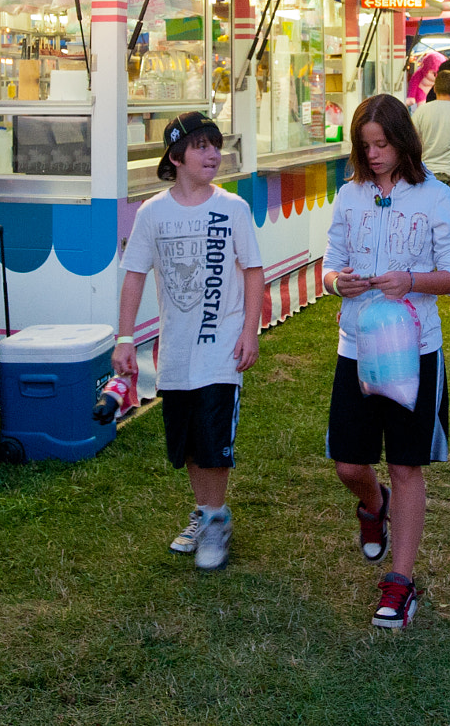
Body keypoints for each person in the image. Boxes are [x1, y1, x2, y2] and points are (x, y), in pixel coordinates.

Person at [323, 94, 450, 629]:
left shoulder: (435, 197)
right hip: (356, 349)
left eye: (382, 144)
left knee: (407, 465)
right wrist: (341, 282)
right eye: (366, 146)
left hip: (416, 352)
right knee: (347, 463)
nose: (375, 154)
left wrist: (409, 281)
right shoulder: (349, 197)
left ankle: (401, 582)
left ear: (403, 141)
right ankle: (371, 503)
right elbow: (329, 267)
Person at [113, 112, 265, 572]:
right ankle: (206, 511)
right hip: (176, 352)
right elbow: (134, 276)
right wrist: (124, 339)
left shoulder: (233, 209)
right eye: (201, 146)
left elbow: (254, 271)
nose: (213, 154)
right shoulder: (152, 213)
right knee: (188, 443)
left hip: (222, 350)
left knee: (213, 437)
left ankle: (216, 520)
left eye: (216, 146)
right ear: (175, 157)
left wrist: (249, 331)